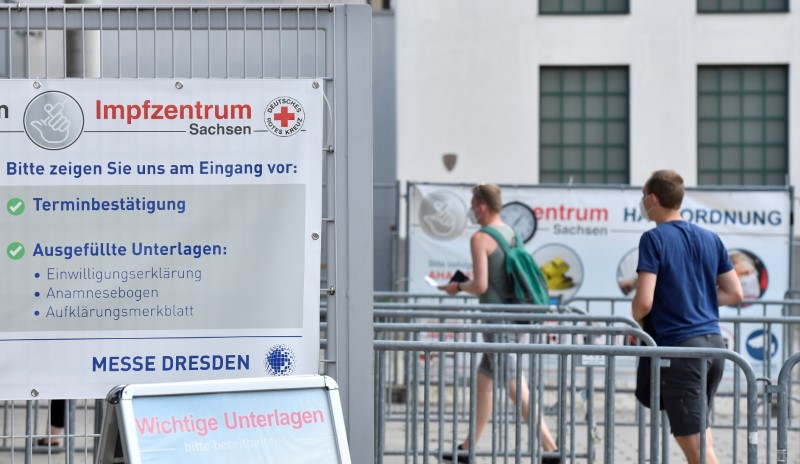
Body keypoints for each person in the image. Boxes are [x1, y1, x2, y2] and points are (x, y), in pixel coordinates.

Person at [439, 183, 559, 464]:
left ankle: (551, 449)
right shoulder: (511, 233)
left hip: (497, 321)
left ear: (482, 205)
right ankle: (466, 449)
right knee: (485, 381)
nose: (472, 210)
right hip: (517, 316)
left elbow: (481, 285)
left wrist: (457, 287)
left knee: (515, 385)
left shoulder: (481, 238)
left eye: (473, 204)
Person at [632, 170, 743, 464]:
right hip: (714, 347)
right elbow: (735, 292)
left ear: (653, 199)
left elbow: (644, 302)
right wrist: (697, 301)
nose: (642, 203)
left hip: (681, 353)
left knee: (699, 452)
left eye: (643, 197)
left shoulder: (653, 239)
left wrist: (638, 313)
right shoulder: (710, 238)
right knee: (702, 440)